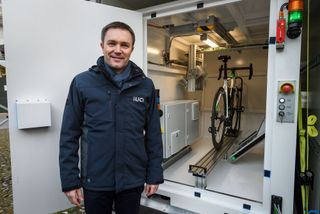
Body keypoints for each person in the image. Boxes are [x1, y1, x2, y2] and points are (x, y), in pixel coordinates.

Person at [59, 21, 164, 214]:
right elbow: (69, 134)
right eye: (112, 43)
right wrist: (70, 180)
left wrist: (154, 174)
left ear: (132, 49)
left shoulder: (145, 86)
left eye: (124, 45)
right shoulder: (82, 83)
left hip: (132, 180)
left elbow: (153, 135)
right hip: (96, 180)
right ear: (102, 46)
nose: (118, 50)